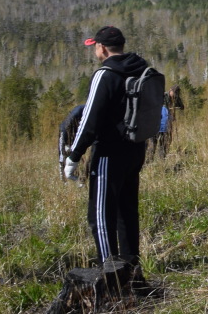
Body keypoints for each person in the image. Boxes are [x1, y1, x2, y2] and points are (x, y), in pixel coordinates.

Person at [63, 26, 151, 271]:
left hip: (109, 154)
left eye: (94, 46)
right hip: (135, 149)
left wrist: (74, 155)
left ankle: (109, 272)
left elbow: (90, 120)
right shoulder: (141, 68)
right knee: (127, 212)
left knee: (100, 216)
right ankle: (132, 268)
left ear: (100, 48)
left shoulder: (105, 74)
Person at [59, 103, 85, 181]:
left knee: (75, 157)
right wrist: (67, 145)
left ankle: (79, 178)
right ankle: (63, 179)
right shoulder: (79, 111)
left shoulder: (82, 109)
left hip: (75, 133)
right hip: (65, 133)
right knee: (63, 157)